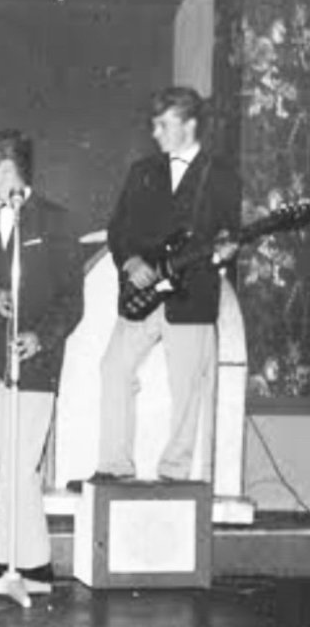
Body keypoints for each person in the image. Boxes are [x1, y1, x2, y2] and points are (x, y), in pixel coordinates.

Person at [92, 86, 241, 485]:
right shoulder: (142, 171)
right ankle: (115, 465)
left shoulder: (222, 176)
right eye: (154, 124)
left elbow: (229, 235)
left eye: (163, 124)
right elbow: (118, 229)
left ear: (189, 124)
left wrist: (225, 253)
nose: (155, 133)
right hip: (142, 295)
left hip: (192, 296)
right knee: (113, 369)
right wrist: (131, 261)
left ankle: (175, 470)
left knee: (187, 387)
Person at [0, 130, 83, 589]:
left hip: (34, 362)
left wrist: (41, 338)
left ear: (6, 166)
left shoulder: (55, 221)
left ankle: (32, 565)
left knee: (18, 465)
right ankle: (13, 561)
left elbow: (71, 299)